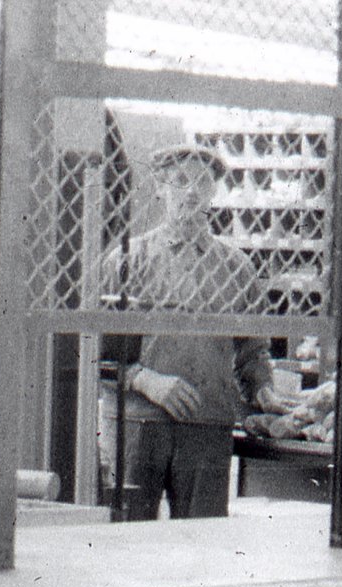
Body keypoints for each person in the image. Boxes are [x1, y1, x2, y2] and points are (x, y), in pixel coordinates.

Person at [113, 143, 285, 520]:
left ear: (213, 194)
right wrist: (146, 381)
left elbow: (252, 351)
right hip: (140, 424)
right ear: (160, 187)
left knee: (204, 546)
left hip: (207, 425)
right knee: (124, 539)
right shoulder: (128, 259)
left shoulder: (237, 267)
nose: (191, 192)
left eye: (203, 183)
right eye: (179, 181)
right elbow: (95, 354)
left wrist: (263, 389)